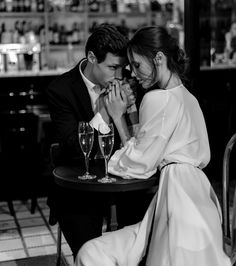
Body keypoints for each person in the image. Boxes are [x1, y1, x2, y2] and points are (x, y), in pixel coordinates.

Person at [76, 26, 231, 266]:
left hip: (178, 200)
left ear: (158, 58)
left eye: (137, 65)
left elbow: (138, 164)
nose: (133, 73)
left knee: (93, 252)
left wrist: (117, 118)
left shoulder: (155, 98)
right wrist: (132, 115)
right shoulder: (190, 98)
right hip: (203, 200)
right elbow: (149, 148)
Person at [46, 23, 150, 259]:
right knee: (89, 252)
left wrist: (126, 113)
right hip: (79, 189)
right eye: (112, 67)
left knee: (144, 238)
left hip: (124, 185)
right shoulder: (60, 90)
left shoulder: (130, 86)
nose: (119, 75)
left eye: (122, 68)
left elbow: (137, 140)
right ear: (92, 57)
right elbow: (73, 147)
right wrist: (104, 112)